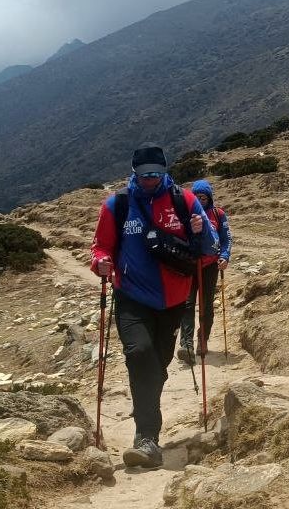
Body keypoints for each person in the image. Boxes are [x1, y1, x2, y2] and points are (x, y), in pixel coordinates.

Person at [90, 144, 218, 470]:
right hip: (131, 296)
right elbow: (101, 246)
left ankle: (147, 405)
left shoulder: (184, 201)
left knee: (158, 366)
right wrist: (101, 262)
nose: (149, 180)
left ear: (165, 171)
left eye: (156, 174)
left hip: (174, 300)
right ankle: (146, 437)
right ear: (134, 172)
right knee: (138, 353)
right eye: (144, 174)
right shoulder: (117, 205)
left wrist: (202, 233)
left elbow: (210, 248)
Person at [177, 179, 233, 366]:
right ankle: (186, 344)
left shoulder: (218, 214)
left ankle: (203, 338)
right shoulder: (185, 214)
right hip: (190, 265)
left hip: (210, 266)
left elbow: (226, 239)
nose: (200, 200)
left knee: (206, 304)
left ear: (209, 197)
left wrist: (224, 256)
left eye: (203, 197)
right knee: (187, 303)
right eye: (197, 197)